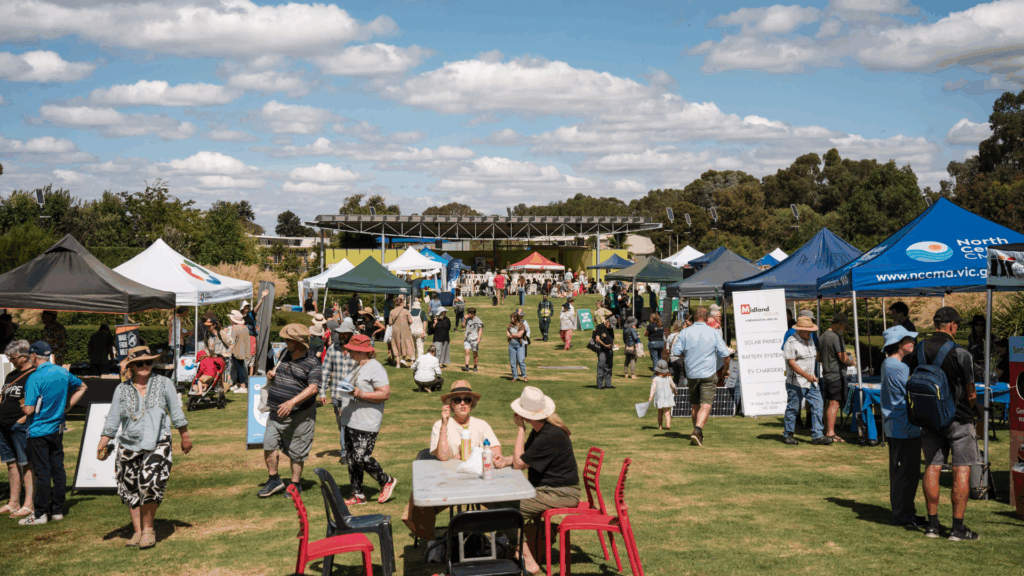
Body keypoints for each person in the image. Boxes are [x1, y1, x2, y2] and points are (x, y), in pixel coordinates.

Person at [99, 346, 191, 548]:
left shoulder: (164, 383)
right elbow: (113, 419)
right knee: (130, 488)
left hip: (158, 441)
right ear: (131, 366)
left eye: (148, 362)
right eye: (140, 363)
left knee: (149, 483)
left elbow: (176, 412)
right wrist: (103, 443)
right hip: (128, 444)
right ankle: (138, 531)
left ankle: (149, 530)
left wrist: (185, 436)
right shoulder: (122, 389)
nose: (145, 366)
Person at [904, 306, 981, 541]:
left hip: (928, 418)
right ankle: (957, 529)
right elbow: (970, 393)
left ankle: (932, 526)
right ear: (952, 326)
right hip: (958, 419)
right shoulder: (961, 354)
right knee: (962, 468)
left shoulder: (917, 350)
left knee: (933, 466)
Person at [401, 380, 502, 540]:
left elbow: (496, 452)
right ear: (451, 404)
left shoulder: (481, 425)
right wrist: (444, 425)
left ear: (472, 404)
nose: (462, 403)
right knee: (420, 502)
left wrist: (473, 456)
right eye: (457, 400)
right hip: (447, 483)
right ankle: (431, 541)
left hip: (478, 484)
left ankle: (502, 540)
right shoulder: (440, 425)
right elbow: (442, 456)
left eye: (466, 400)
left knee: (506, 500)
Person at [494, 386, 579, 575]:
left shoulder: (549, 436)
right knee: (503, 504)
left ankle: (528, 560)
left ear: (525, 414)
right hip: (550, 489)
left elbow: (518, 464)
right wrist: (502, 461)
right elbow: (523, 457)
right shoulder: (541, 431)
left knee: (507, 512)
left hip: (561, 492)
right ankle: (510, 548)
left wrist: (520, 429)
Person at [19, 341, 87, 525]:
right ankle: (57, 510)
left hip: (38, 430)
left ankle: (40, 514)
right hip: (57, 428)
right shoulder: (62, 372)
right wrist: (67, 407)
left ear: (34, 356)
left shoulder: (35, 377)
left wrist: (23, 404)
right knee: (58, 469)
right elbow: (82, 387)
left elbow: (29, 410)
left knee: (42, 472)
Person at [259, 324, 321, 499]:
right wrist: (272, 374)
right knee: (269, 444)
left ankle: (295, 484)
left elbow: (313, 388)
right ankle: (274, 480)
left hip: (300, 416)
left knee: (297, 451)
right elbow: (282, 373)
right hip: (275, 412)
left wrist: (292, 402)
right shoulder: (285, 354)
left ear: (298, 342)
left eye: (288, 340)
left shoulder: (313, 362)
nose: (285, 343)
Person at [337, 334, 398, 506]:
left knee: (362, 457)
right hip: (351, 419)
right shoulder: (357, 366)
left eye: (351, 349)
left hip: (366, 420)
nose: (348, 352)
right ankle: (358, 494)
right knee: (352, 459)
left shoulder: (375, 368)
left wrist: (361, 394)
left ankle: (386, 480)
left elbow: (385, 393)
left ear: (360, 351)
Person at [880, 325, 924, 529]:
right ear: (898, 344)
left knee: (906, 472)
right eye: (908, 340)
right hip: (903, 426)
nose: (913, 343)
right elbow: (910, 395)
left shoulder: (890, 364)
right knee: (905, 474)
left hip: (899, 425)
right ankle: (903, 515)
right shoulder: (898, 367)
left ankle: (906, 512)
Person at [671, 307, 731, 446]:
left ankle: (697, 432)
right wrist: (725, 370)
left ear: (694, 317)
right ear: (706, 318)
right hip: (708, 373)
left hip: (692, 373)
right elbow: (726, 354)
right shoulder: (713, 332)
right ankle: (697, 430)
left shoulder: (685, 332)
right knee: (706, 404)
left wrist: (689, 354)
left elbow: (676, 351)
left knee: (695, 405)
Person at [782, 316, 830, 446]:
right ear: (801, 330)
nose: (810, 333)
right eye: (808, 331)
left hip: (811, 381)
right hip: (796, 382)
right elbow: (791, 363)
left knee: (818, 405)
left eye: (811, 330)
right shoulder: (791, 343)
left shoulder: (810, 340)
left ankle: (817, 436)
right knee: (793, 408)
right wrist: (807, 375)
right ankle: (788, 434)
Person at [1, 340, 35, 519]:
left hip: (19, 424)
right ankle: (13, 502)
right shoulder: (11, 375)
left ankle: (28, 503)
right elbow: (3, 395)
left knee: (26, 464)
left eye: (13, 357)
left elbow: (38, 400)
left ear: (24, 355)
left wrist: (23, 420)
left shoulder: (34, 374)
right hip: (3, 424)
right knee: (11, 463)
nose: (11, 360)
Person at [319, 318, 357, 465]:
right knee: (341, 423)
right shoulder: (332, 349)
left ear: (351, 334)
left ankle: (344, 452)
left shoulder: (357, 350)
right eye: (340, 333)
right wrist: (322, 392)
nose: (342, 335)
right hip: (336, 394)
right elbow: (325, 371)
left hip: (353, 394)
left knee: (348, 423)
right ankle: (347, 448)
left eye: (345, 333)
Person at [820, 313, 856, 442]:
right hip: (836, 374)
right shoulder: (836, 337)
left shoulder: (823, 336)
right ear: (840, 325)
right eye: (844, 327)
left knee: (829, 402)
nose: (844, 330)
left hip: (827, 373)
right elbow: (842, 357)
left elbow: (818, 357)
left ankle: (827, 430)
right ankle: (830, 433)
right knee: (834, 403)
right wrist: (851, 361)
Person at [202, 315, 235, 396]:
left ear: (214, 325)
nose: (207, 327)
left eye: (209, 326)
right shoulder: (207, 335)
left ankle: (222, 391)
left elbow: (232, 343)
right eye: (206, 326)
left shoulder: (221, 333)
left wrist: (226, 353)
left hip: (223, 359)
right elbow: (206, 346)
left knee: (221, 376)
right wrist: (207, 354)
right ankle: (212, 390)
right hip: (212, 359)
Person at [227, 310, 251, 393]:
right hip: (243, 350)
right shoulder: (245, 327)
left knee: (240, 368)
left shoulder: (235, 328)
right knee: (240, 367)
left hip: (236, 350)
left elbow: (231, 340)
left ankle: (243, 387)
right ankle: (238, 384)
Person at [649, 360, 677, 430]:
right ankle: (668, 425)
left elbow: (653, 388)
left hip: (659, 397)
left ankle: (660, 426)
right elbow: (673, 386)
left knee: (660, 413)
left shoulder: (655, 379)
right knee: (667, 412)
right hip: (667, 397)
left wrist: (651, 396)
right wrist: (675, 391)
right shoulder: (669, 378)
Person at [388, 296, 415, 368]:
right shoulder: (405, 311)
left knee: (396, 345)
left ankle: (397, 364)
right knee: (405, 344)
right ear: (402, 302)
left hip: (395, 330)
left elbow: (390, 322)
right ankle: (403, 359)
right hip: (404, 330)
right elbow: (410, 321)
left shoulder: (392, 311)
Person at [594, 313, 615, 390]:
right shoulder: (600, 327)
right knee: (601, 366)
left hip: (610, 350)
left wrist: (614, 345)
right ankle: (600, 384)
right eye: (610, 324)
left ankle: (608, 384)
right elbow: (597, 339)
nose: (610, 326)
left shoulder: (611, 329)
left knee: (609, 367)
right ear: (607, 321)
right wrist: (605, 345)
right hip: (602, 350)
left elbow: (612, 339)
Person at [507, 312, 528, 383]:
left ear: (515, 318)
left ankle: (524, 376)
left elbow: (520, 335)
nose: (511, 319)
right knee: (513, 362)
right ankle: (515, 377)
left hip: (519, 344)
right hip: (511, 345)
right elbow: (507, 335)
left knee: (521, 360)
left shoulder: (522, 325)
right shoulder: (510, 325)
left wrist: (512, 334)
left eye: (512, 318)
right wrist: (514, 335)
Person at [966, 315, 988, 380]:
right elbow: (969, 350)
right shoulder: (971, 337)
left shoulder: (989, 337)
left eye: (981, 325)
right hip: (972, 366)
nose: (979, 327)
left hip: (983, 367)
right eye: (976, 324)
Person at [461, 307, 483, 373]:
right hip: (467, 338)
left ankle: (475, 366)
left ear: (472, 313)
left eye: (469, 313)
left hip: (475, 339)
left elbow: (480, 329)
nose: (467, 314)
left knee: (475, 353)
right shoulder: (467, 319)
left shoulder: (478, 320)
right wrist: (464, 320)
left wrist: (479, 338)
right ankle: (467, 366)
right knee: (467, 351)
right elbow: (462, 326)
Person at [665, 320, 686, 386]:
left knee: (676, 375)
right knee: (682, 375)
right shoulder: (683, 336)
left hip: (672, 359)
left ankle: (674, 391)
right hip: (680, 358)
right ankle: (680, 392)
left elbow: (667, 350)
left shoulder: (670, 336)